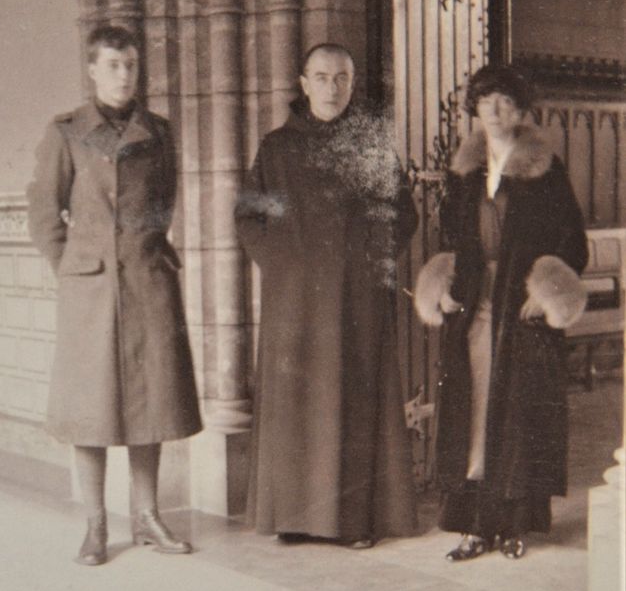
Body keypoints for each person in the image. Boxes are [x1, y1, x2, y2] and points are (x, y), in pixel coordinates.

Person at [27, 25, 201, 565]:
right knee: (91, 408)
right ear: (93, 70)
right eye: (113, 65)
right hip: (91, 290)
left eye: (130, 65)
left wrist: (144, 253)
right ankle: (96, 525)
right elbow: (42, 213)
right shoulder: (66, 133)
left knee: (151, 401)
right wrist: (76, 267)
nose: (124, 75)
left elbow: (163, 201)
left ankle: (148, 517)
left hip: (147, 282)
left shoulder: (160, 132)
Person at [235, 43, 419, 547]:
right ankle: (295, 517)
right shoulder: (275, 148)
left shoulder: (373, 144)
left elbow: (403, 214)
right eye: (322, 77)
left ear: (352, 83)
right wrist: (283, 264)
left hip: (357, 299)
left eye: (341, 78)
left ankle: (354, 522)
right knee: (297, 404)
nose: (332, 88)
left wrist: (368, 259)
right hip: (293, 300)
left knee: (353, 401)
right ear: (303, 82)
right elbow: (248, 218)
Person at [414, 65, 588, 561]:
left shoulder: (547, 169)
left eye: (504, 103)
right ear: (475, 108)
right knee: (475, 411)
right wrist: (440, 285)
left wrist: (548, 289)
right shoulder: (464, 172)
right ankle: (474, 526)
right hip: (475, 301)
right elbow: (449, 238)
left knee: (519, 414)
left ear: (521, 110)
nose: (493, 112)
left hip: (522, 308)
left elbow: (571, 240)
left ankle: (514, 525)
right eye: (485, 102)